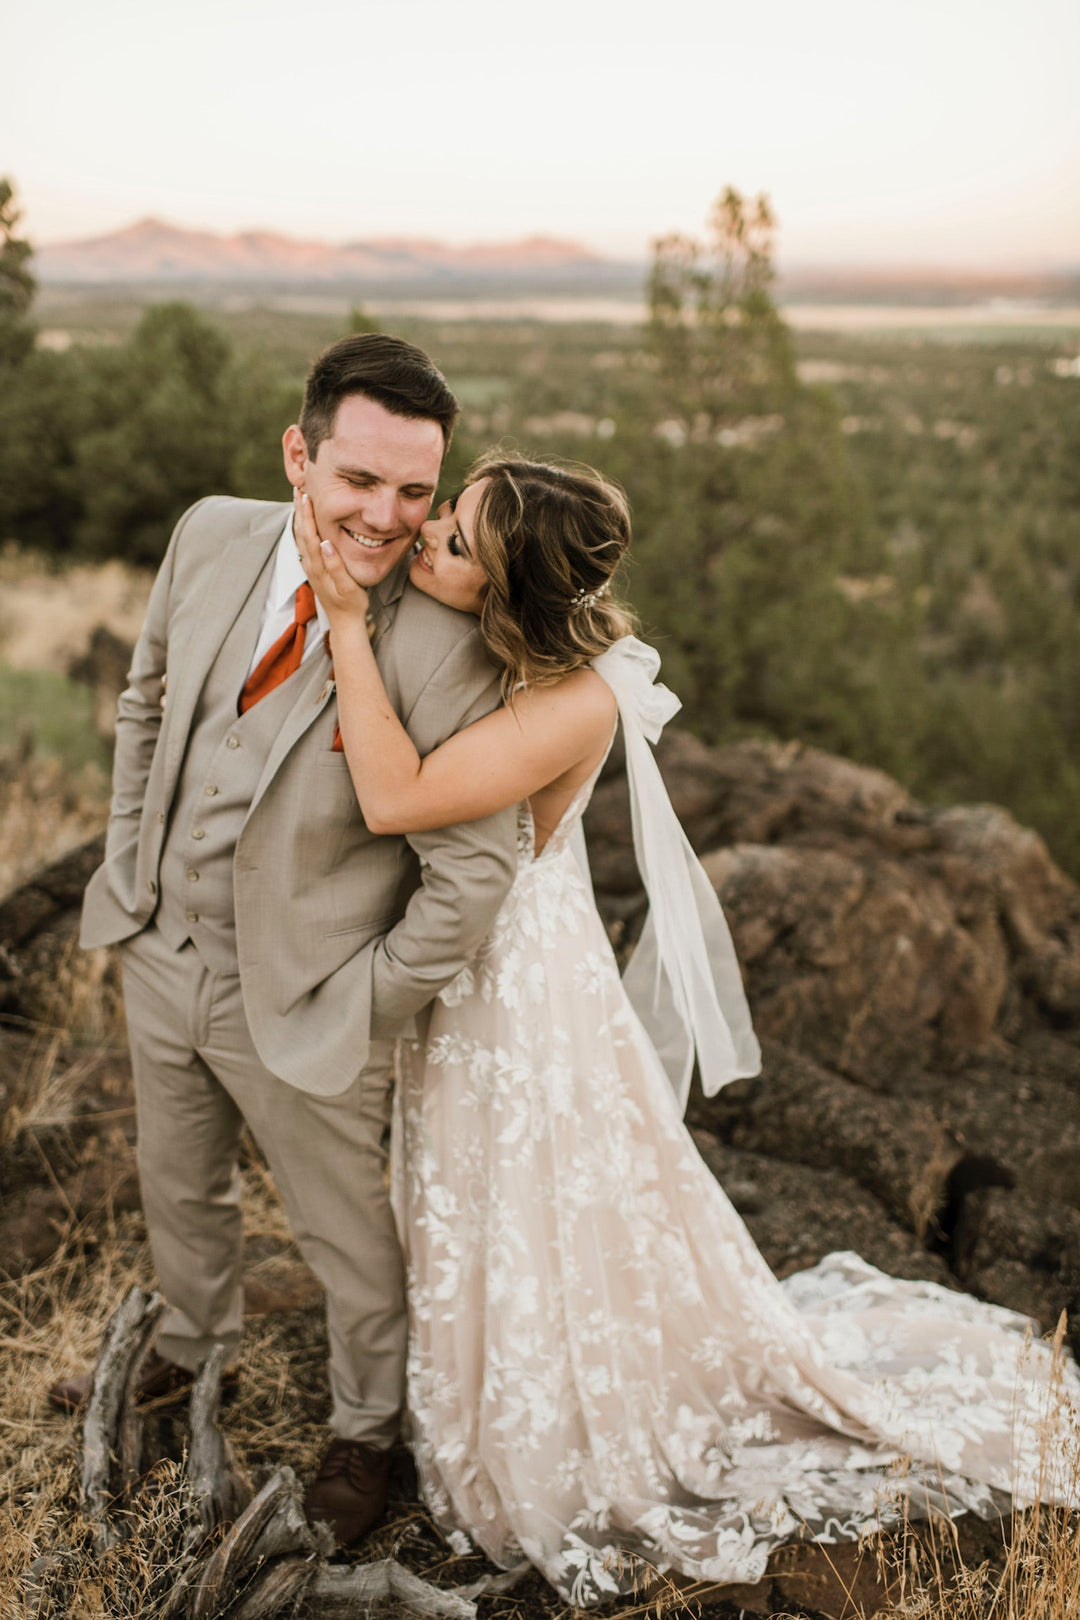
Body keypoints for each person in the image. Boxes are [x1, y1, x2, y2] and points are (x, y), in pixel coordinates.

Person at [296, 453, 1080, 1605]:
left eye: (456, 542)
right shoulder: (498, 643)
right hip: (476, 967)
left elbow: (398, 798)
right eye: (447, 515)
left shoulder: (577, 698)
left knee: (517, 1186)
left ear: (514, 595)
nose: (430, 542)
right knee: (461, 1182)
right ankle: (459, 1384)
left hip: (519, 995)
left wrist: (347, 626)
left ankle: (537, 1414)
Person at [49, 335, 519, 1548]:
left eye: (417, 492)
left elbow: (472, 875)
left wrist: (364, 1002)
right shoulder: (211, 531)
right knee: (177, 1183)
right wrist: (129, 866)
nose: (387, 518)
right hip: (160, 947)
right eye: (359, 481)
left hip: (311, 995)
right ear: (299, 454)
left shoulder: (448, 642)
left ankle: (368, 1434)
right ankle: (187, 1351)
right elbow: (149, 698)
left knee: (346, 1237)